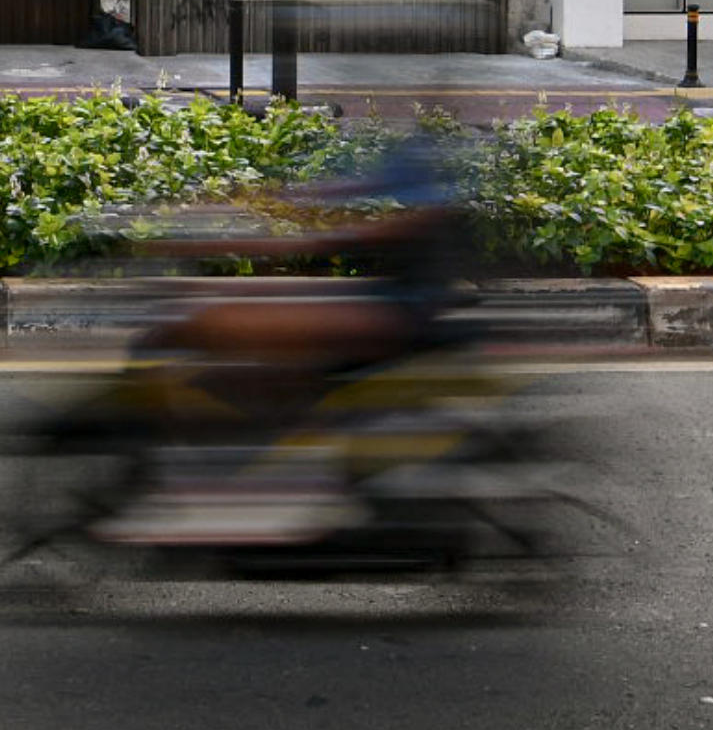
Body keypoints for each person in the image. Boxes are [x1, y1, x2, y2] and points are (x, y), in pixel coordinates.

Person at [94, 139, 476, 546]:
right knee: (232, 325)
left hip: (405, 312)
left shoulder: (434, 184)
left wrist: (267, 236)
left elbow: (372, 226)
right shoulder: (418, 151)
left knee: (260, 333)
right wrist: (290, 200)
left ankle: (270, 467)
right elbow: (360, 189)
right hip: (394, 299)